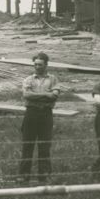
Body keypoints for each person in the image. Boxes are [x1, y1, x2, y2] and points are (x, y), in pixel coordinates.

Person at [19, 52, 62, 183]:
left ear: (46, 65)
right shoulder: (28, 79)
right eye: (35, 64)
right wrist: (46, 95)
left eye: (40, 65)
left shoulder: (53, 79)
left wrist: (37, 94)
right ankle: (23, 175)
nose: (37, 67)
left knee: (44, 146)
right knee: (28, 145)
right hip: (31, 114)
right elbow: (27, 95)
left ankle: (44, 176)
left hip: (46, 114)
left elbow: (54, 95)